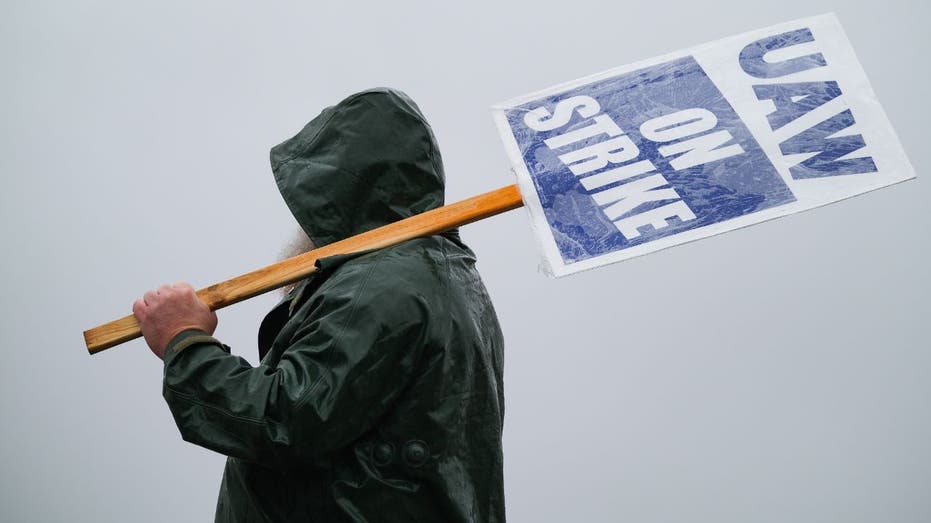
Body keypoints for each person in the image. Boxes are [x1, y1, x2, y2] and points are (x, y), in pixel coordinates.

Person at [132, 88, 506, 522]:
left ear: (342, 195)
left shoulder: (387, 282)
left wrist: (185, 342)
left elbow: (286, 420)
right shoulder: (452, 280)